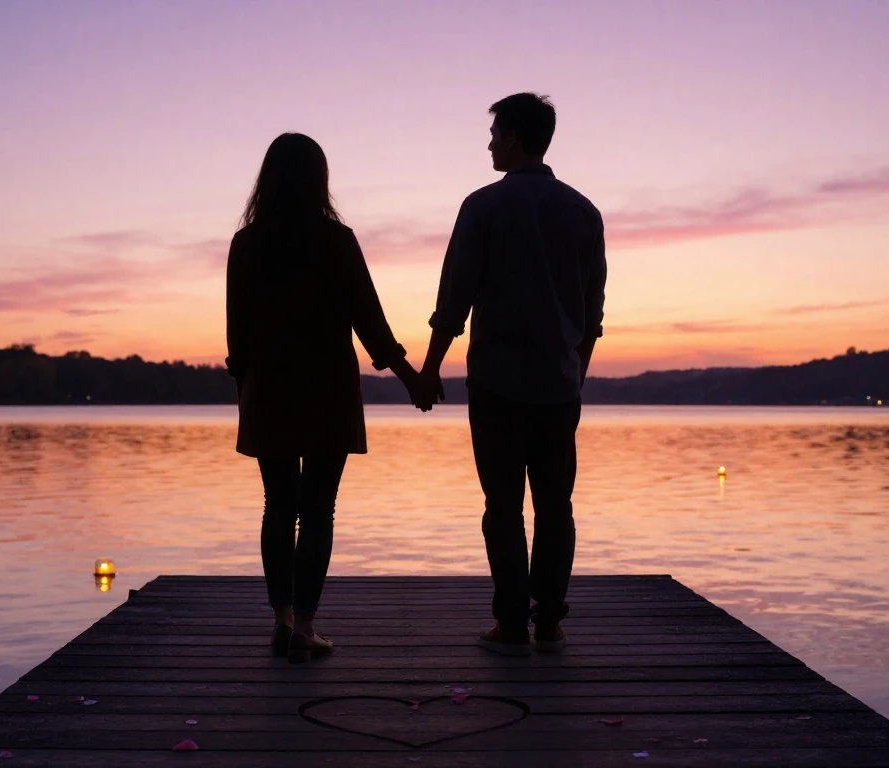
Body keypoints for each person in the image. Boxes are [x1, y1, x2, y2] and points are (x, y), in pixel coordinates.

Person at [412, 93, 607, 656]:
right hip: (559, 387)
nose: (490, 144)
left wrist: (429, 370)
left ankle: (512, 624)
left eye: (495, 133)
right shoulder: (583, 212)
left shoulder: (483, 206)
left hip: (497, 384)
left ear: (515, 137)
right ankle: (549, 623)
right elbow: (591, 312)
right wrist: (575, 375)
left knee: (503, 507)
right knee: (555, 507)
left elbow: (454, 301)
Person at [226, 133, 418, 662]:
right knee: (317, 510)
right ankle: (306, 627)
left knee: (277, 505)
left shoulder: (247, 244)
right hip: (327, 390)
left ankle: (282, 620)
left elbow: (237, 335)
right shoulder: (336, 240)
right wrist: (411, 378)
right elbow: (370, 322)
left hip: (268, 390)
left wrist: (247, 393)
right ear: (320, 180)